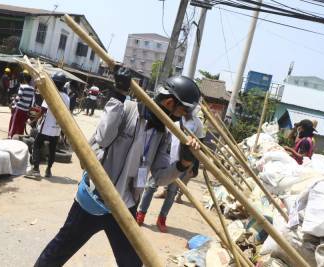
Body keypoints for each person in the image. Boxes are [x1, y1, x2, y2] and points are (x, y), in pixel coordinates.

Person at [34, 68, 201, 267]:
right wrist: (118, 96)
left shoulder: (162, 134)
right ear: (169, 103)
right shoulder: (127, 109)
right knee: (58, 251)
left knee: (131, 262)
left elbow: (159, 177)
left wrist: (183, 163)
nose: (181, 117)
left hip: (125, 207)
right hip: (95, 199)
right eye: (182, 111)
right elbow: (103, 139)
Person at [136, 108, 205, 232]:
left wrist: (194, 166)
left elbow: (199, 145)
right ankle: (141, 213)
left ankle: (162, 218)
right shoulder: (174, 115)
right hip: (165, 157)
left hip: (182, 162)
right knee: (151, 185)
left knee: (172, 192)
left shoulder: (198, 124)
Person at [25, 72, 70, 179]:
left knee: (36, 145)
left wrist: (33, 120)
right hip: (56, 128)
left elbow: (43, 111)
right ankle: (48, 170)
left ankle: (36, 169)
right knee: (52, 149)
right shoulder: (67, 98)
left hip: (46, 127)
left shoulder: (50, 94)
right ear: (63, 84)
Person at [8, 70, 35, 139]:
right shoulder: (32, 89)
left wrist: (12, 104)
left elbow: (18, 98)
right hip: (25, 110)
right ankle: (19, 137)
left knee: (14, 123)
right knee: (21, 125)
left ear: (24, 79)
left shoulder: (22, 87)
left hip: (19, 109)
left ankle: (11, 137)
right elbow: (31, 100)